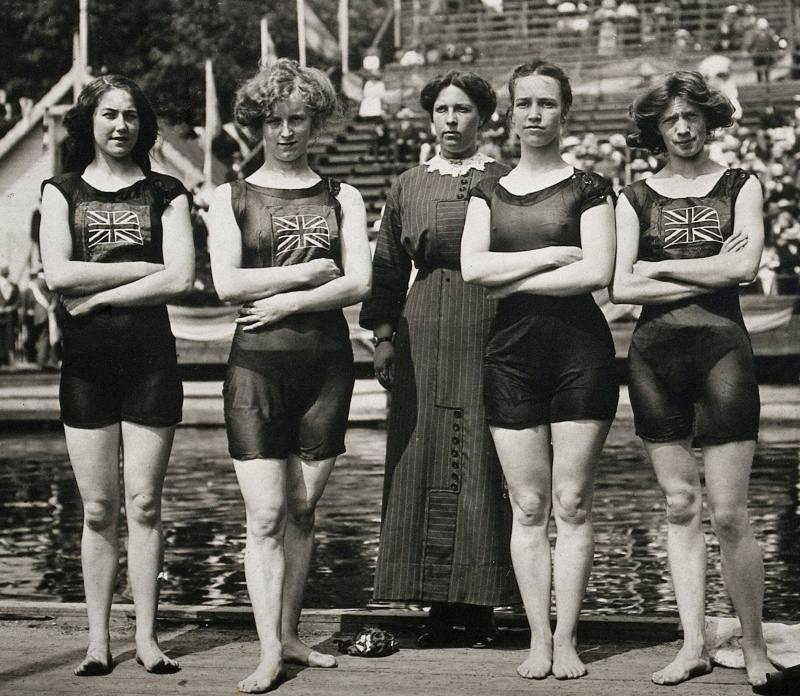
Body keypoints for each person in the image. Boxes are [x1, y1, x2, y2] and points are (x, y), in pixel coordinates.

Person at [206, 58, 371, 694]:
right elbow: (226, 283)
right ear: (258, 122)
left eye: (297, 119)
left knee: (302, 509)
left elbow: (357, 280)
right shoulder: (232, 195)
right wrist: (302, 277)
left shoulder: (343, 196)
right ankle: (268, 649)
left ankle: (293, 635)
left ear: (316, 121)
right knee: (266, 514)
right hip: (256, 368)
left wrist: (285, 302)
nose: (285, 132)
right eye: (274, 121)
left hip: (326, 366)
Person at [611, 70, 774, 687]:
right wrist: (717, 264)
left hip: (723, 353)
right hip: (654, 358)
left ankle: (755, 645)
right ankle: (692, 643)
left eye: (692, 118)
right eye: (670, 120)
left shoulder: (741, 184)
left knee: (730, 512)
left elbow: (748, 266)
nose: (682, 129)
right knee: (680, 506)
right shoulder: (634, 197)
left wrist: (663, 268)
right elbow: (622, 286)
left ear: (709, 121)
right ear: (654, 127)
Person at [460, 59, 618, 681]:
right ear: (509, 112)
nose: (534, 114)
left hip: (581, 356)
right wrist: (552, 252)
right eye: (524, 103)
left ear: (564, 111)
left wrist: (514, 269)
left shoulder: (591, 186)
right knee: (528, 505)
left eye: (546, 104)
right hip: (511, 359)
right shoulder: (487, 190)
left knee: (572, 501)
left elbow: (598, 273)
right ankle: (538, 639)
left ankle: (570, 636)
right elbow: (474, 271)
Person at [38, 75, 195, 676]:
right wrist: (142, 270)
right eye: (109, 115)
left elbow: (180, 278)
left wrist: (98, 292)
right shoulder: (63, 190)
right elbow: (57, 273)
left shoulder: (167, 190)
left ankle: (149, 638)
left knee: (146, 504)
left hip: (151, 361)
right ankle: (99, 640)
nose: (121, 125)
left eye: (131, 115)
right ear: (91, 123)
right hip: (87, 366)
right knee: (99, 509)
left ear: (143, 124)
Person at [359, 70, 519, 649]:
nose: (451, 121)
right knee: (422, 454)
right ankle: (432, 604)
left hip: (488, 325)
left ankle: (480, 605)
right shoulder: (408, 184)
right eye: (442, 111)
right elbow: (386, 268)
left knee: (478, 453)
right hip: (420, 326)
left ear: (483, 118)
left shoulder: (505, 179)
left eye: (463, 111)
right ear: (431, 119)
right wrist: (382, 338)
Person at [0, 264, 20, 366]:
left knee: (9, 337)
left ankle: (9, 360)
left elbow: (18, 301)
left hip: (9, 315)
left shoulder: (14, 286)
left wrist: (11, 308)